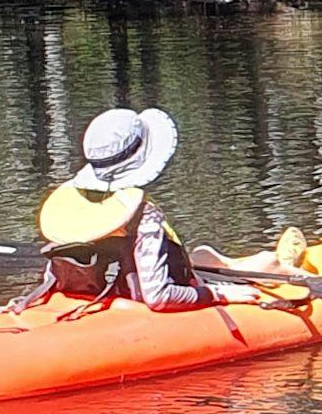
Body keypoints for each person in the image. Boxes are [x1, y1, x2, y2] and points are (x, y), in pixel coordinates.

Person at [35, 106, 295, 310]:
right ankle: (284, 265)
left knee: (202, 255)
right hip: (140, 298)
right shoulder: (143, 216)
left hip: (99, 292)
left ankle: (280, 259)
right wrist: (218, 294)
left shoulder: (69, 204)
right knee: (267, 262)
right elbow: (158, 296)